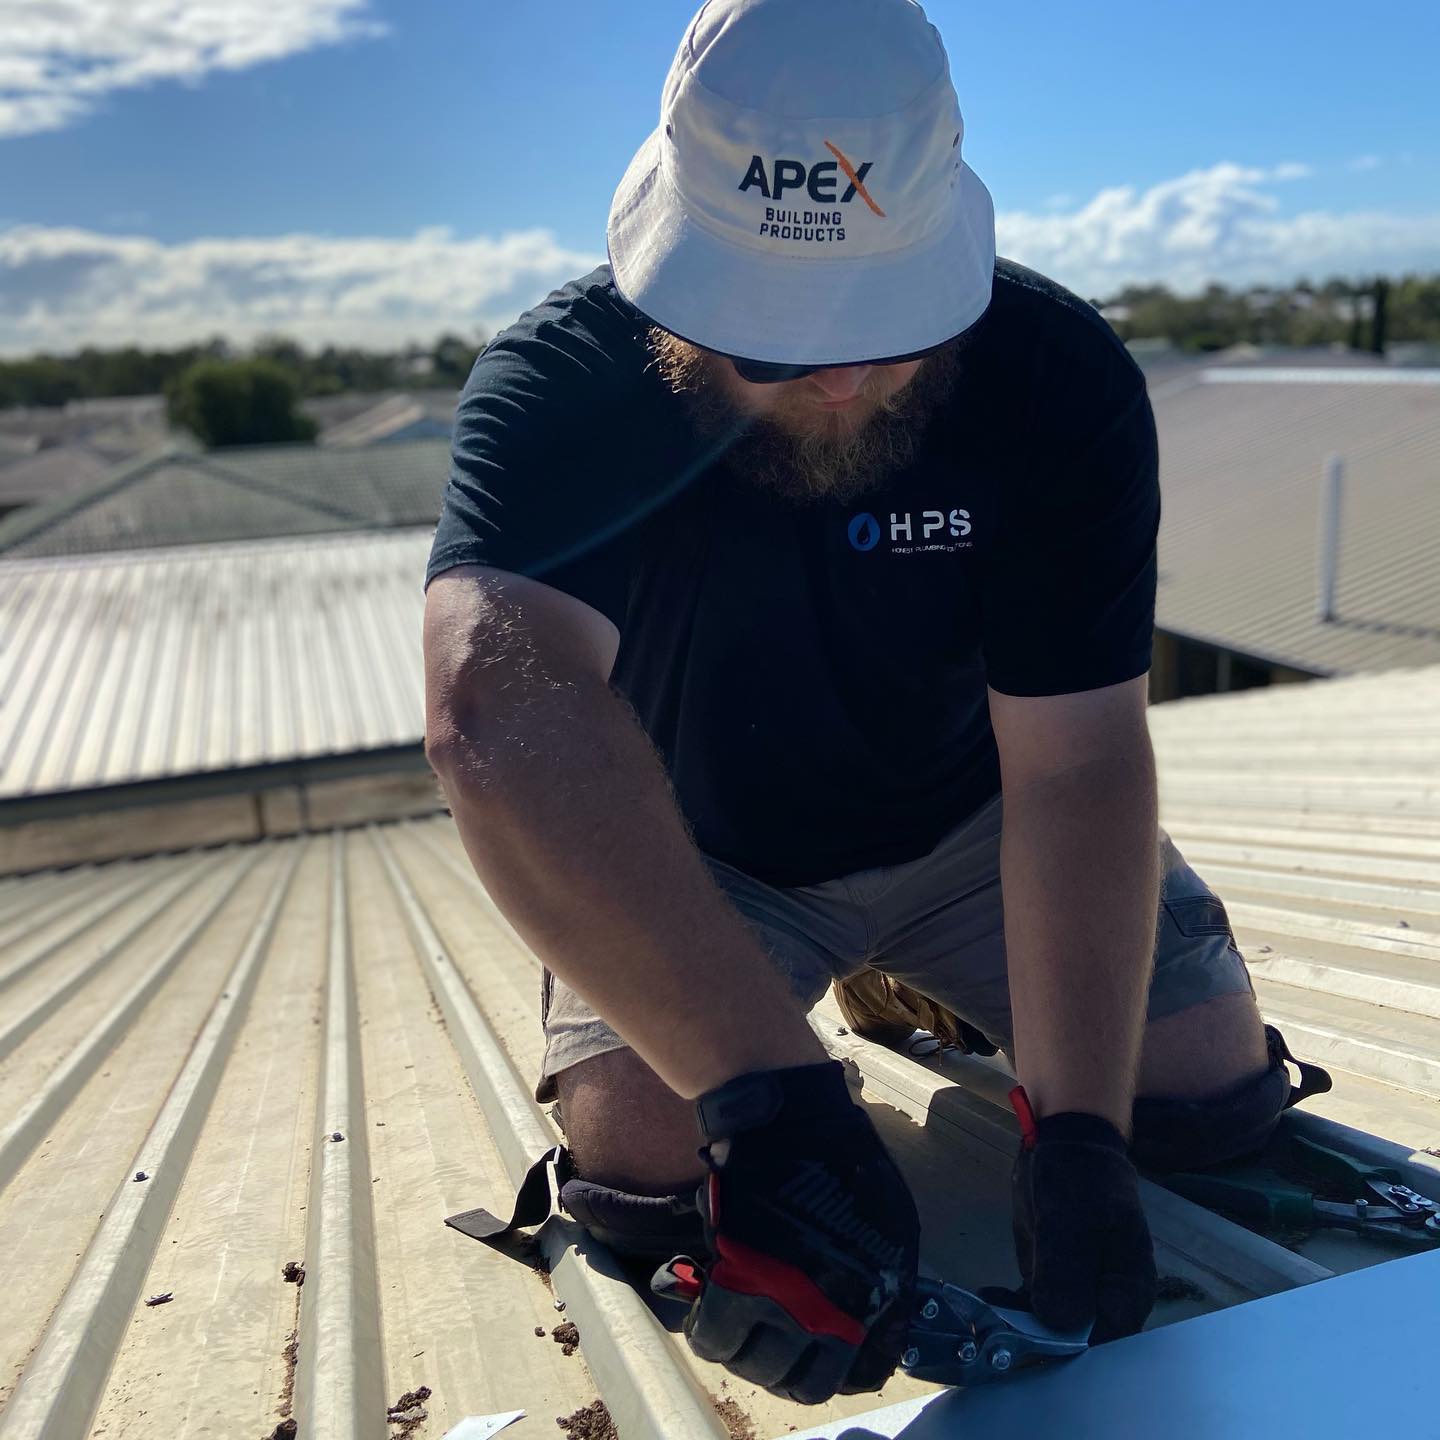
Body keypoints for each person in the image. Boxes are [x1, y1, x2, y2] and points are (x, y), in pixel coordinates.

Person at [422, 0, 1327, 1407]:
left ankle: (906, 977)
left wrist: (1078, 1133)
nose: (840, 376)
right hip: (706, 857)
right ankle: (793, 1019)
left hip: (977, 830)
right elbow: (497, 711)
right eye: (775, 341)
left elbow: (1079, 764)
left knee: (1203, 1100)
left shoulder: (1054, 377)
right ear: (675, 274)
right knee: (658, 1176)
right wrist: (768, 1102)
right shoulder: (563, 386)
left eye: (881, 322)